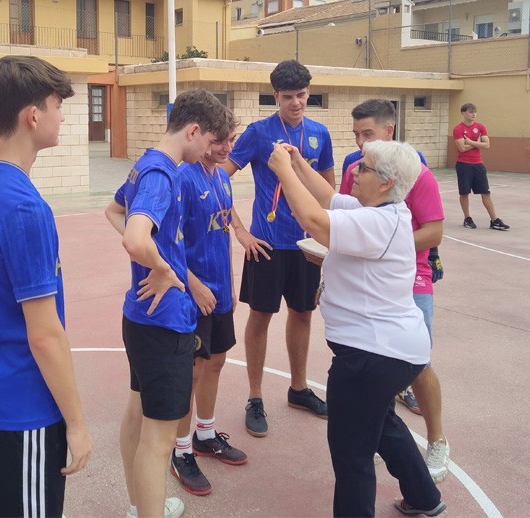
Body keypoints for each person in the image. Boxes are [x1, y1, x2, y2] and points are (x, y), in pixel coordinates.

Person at [268, 139, 446, 517]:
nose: (354, 171)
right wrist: (298, 164)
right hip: (395, 352)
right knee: (382, 424)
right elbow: (329, 198)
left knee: (351, 454)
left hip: (371, 357)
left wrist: (282, 169)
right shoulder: (384, 210)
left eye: (363, 168)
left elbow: (315, 222)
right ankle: (425, 498)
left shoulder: (377, 221)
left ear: (386, 182)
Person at [0, 55, 93, 517]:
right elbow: (44, 333)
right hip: (24, 408)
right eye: (57, 106)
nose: (62, 116)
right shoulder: (23, 207)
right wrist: (76, 424)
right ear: (32, 116)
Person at [104, 89, 229, 518]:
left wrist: (154, 259)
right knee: (158, 441)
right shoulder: (163, 174)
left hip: (140, 318)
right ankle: (146, 511)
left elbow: (114, 211)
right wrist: (161, 268)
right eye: (211, 142)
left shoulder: (146, 165)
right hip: (165, 323)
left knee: (138, 417)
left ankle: (141, 506)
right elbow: (135, 236)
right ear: (193, 130)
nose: (214, 152)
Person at [339, 99, 450, 483]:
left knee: (416, 363)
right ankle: (378, 436)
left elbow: (434, 232)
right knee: (370, 362)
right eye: (355, 135)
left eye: (366, 134)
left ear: (389, 131)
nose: (359, 143)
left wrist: (386, 246)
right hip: (365, 278)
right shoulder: (356, 168)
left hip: (410, 276)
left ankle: (437, 441)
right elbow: (345, 218)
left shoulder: (414, 172)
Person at [222, 59, 334, 437]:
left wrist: (327, 237)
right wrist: (240, 231)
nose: (296, 103)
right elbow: (219, 179)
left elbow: (329, 191)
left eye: (302, 95)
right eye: (288, 97)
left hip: (306, 245)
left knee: (303, 314)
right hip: (266, 245)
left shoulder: (320, 133)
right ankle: (255, 397)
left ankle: (298, 389)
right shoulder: (258, 133)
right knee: (261, 317)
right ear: (276, 96)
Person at [170, 112, 247, 496]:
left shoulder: (220, 174)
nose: (227, 149)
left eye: (231, 140)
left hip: (219, 291)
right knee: (194, 370)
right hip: (193, 295)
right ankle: (180, 450)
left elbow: (224, 224)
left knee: (217, 361)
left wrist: (229, 281)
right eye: (220, 142)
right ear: (199, 136)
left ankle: (205, 433)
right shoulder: (182, 177)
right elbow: (164, 241)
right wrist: (194, 284)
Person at [453, 103, 510, 230]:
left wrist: (471, 142)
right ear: (463, 113)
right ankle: (467, 218)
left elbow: (487, 145)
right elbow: (462, 148)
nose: (473, 114)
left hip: (478, 165)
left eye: (475, 112)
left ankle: (494, 220)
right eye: (470, 112)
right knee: (464, 193)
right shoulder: (458, 129)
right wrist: (478, 143)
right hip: (464, 165)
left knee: (486, 193)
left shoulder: (480, 127)